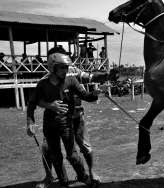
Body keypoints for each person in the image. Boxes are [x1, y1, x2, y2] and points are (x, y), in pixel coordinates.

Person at [31, 47, 118, 188]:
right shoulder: (45, 79)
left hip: (76, 115)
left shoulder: (74, 70)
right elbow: (37, 100)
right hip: (56, 119)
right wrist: (49, 106)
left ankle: (91, 173)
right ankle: (49, 177)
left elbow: (91, 77)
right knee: (47, 148)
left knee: (85, 147)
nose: (66, 62)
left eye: (66, 56)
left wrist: (107, 75)